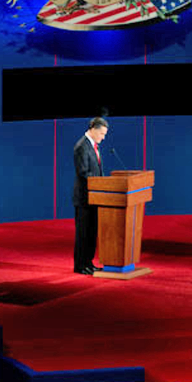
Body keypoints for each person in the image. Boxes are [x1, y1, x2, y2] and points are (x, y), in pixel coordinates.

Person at [73, 117, 109, 275]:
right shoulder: (81, 146)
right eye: (102, 133)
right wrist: (100, 183)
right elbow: (83, 172)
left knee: (92, 233)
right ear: (93, 129)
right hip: (84, 198)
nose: (103, 137)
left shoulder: (94, 146)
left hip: (95, 197)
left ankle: (89, 263)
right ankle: (80, 265)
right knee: (83, 234)